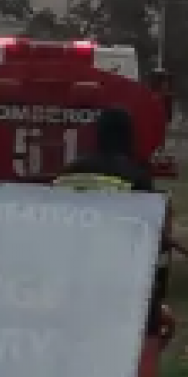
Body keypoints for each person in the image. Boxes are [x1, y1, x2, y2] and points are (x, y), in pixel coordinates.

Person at [53, 108, 174, 343]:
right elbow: (150, 243)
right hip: (114, 278)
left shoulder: (67, 172)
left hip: (71, 276)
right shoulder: (135, 176)